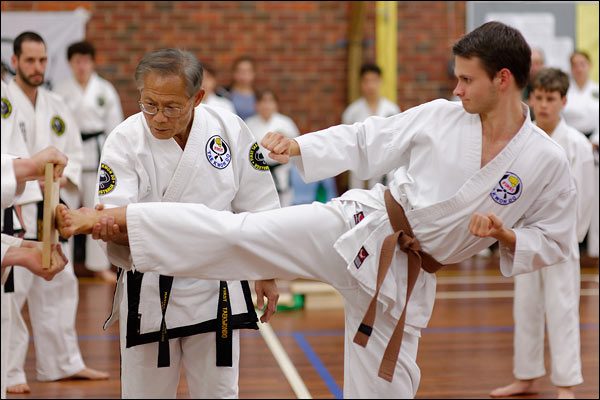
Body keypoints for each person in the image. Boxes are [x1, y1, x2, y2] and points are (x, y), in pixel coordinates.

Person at [56, 21, 579, 398]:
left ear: (504, 79)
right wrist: (300, 148)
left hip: (406, 271)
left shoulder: (546, 161)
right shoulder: (444, 117)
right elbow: (367, 139)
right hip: (362, 226)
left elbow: (557, 238)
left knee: (384, 384)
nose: (455, 88)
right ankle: (119, 216)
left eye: (466, 79)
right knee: (244, 234)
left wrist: (508, 238)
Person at [90, 48, 280, 398]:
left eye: (171, 107)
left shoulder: (228, 127)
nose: (158, 118)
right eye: (149, 104)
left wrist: (266, 270)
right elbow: (114, 212)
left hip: (215, 285)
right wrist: (107, 227)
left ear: (198, 98)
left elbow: (260, 202)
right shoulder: (125, 139)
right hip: (150, 287)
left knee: (220, 393)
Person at [5, 31, 107, 395]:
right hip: (15, 207)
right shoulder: (3, 101)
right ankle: (10, 372)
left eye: (43, 60)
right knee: (12, 291)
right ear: (14, 61)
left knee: (61, 281)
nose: (37, 67)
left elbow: (75, 154)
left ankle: (62, 363)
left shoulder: (56, 105)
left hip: (51, 206)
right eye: (30, 60)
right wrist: (33, 181)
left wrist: (61, 182)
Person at [490, 67, 595, 400]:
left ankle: (565, 384)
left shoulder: (576, 145)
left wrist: (571, 239)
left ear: (563, 101)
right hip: (524, 236)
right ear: (530, 99)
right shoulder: (522, 141)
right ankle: (527, 375)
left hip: (561, 243)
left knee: (562, 309)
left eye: (551, 99)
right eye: (538, 97)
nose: (544, 105)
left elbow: (585, 197)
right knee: (526, 308)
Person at [53, 41, 124, 283]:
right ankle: (64, 263)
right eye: (77, 61)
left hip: (96, 154)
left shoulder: (104, 90)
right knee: (65, 211)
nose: (81, 66)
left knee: (96, 211)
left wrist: (113, 160)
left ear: (92, 62)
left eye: (85, 60)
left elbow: (115, 128)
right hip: (69, 158)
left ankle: (98, 266)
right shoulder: (60, 91)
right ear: (70, 64)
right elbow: (55, 130)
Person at [342, 63, 401, 190]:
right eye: (366, 81)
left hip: (386, 167)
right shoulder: (352, 112)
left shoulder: (391, 110)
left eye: (374, 81)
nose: (370, 86)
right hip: (360, 170)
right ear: (360, 83)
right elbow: (346, 144)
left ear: (380, 82)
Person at [246, 89, 300, 207]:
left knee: (284, 207)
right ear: (256, 105)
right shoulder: (248, 124)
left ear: (276, 104)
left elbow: (297, 149)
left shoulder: (286, 123)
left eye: (270, 101)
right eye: (262, 102)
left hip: (282, 171)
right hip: (258, 172)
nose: (266, 105)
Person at [562, 50, 600, 138]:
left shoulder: (597, 89)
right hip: (569, 138)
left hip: (594, 140)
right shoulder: (564, 90)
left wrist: (596, 140)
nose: (579, 69)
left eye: (582, 64)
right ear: (570, 68)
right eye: (574, 65)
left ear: (590, 65)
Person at [226, 56, 257, 120]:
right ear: (234, 73)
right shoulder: (224, 93)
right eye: (240, 71)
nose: (244, 74)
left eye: (247, 71)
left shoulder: (259, 95)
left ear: (253, 73)